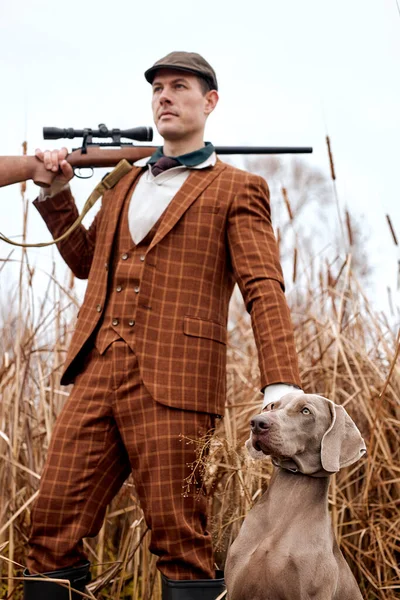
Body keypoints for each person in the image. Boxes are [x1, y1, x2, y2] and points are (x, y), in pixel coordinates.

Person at [23, 51, 302, 600]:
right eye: (158, 89)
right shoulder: (124, 184)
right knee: (51, 527)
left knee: (180, 540)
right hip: (97, 372)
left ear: (210, 102)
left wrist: (282, 383)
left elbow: (263, 287)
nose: (165, 96)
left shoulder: (236, 188)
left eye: (180, 86)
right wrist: (56, 194)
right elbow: (86, 262)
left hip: (178, 385)